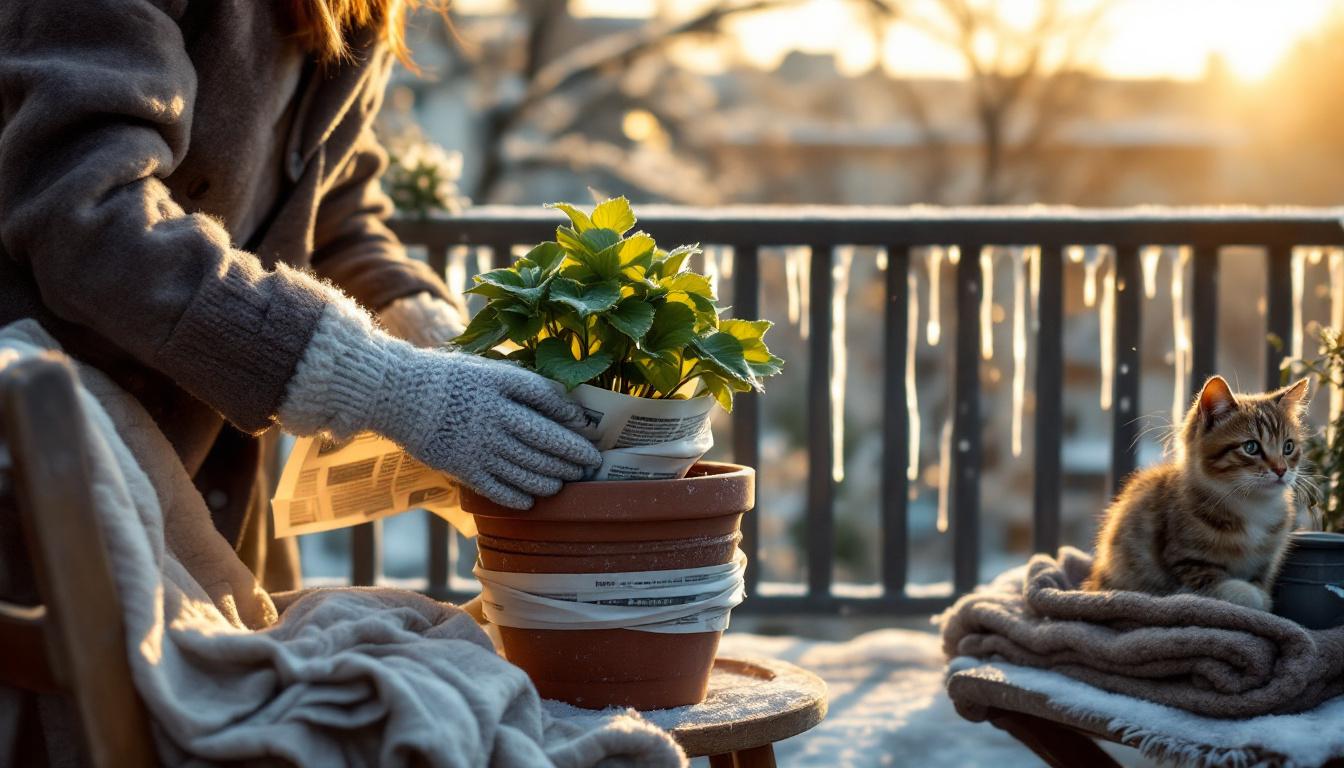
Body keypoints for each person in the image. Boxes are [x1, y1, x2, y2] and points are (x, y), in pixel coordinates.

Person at [0, 0, 602, 591]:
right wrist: (380, 382)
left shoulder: (361, 11)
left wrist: (428, 330)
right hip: (54, 465)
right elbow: (85, 214)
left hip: (211, 477)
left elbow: (334, 208)